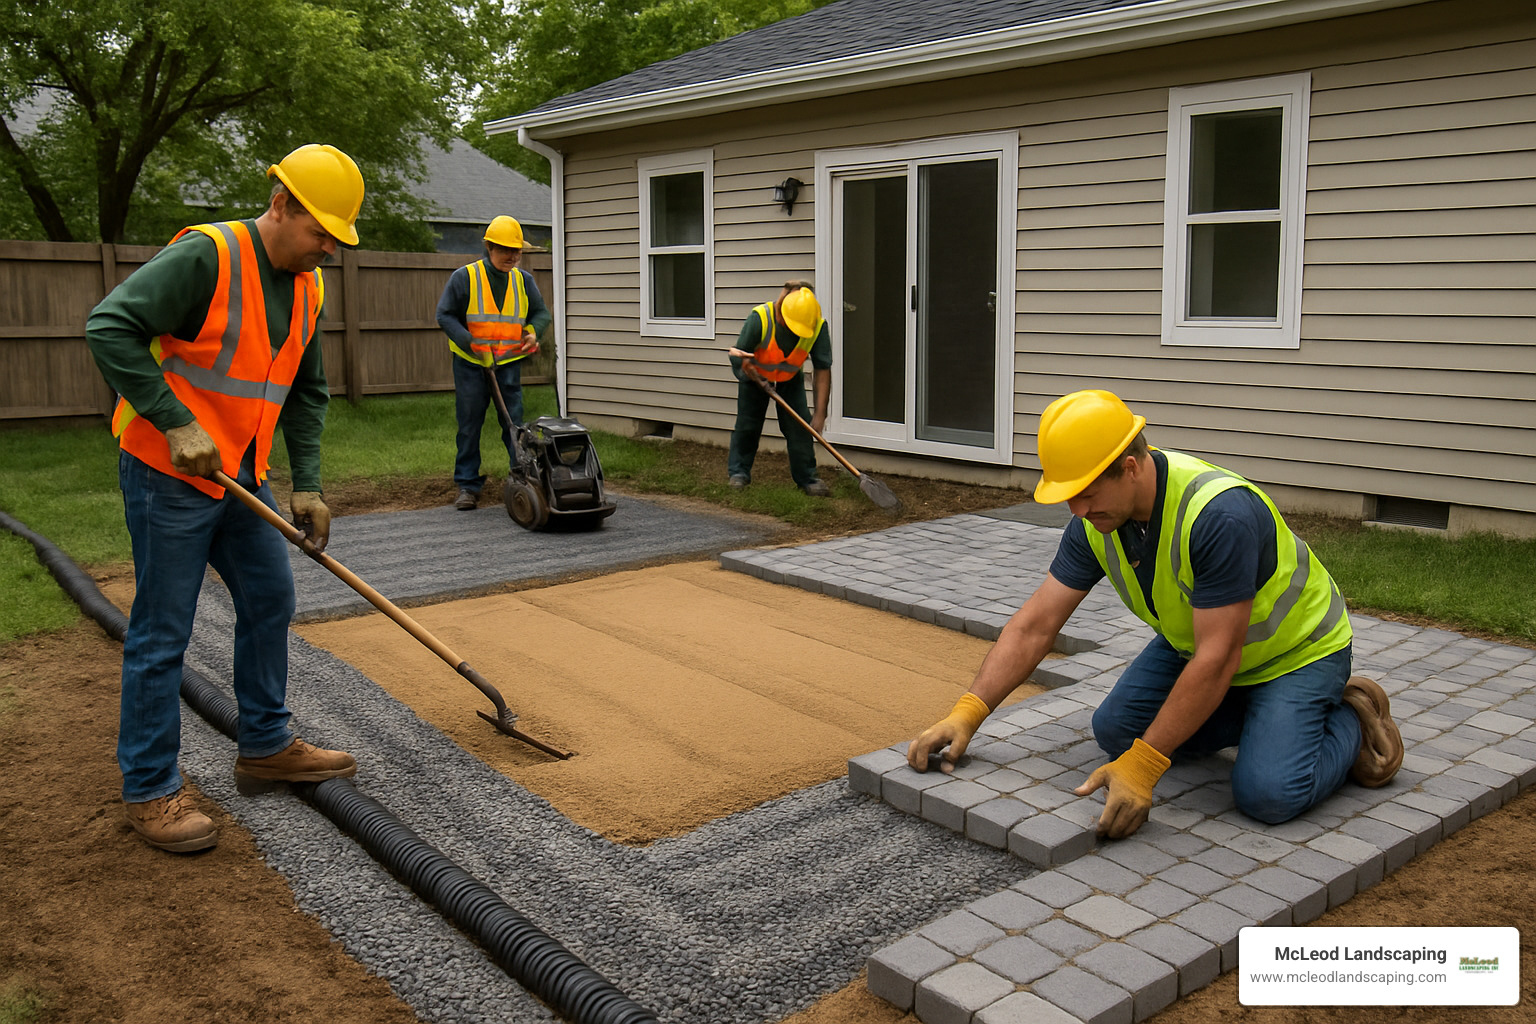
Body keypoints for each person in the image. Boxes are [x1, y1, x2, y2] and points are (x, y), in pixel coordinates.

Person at [907, 389, 1403, 840]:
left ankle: (1348, 718)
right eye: (1068, 496)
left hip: (1297, 653)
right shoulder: (1096, 523)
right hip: (1205, 647)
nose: (1077, 510)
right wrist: (966, 714)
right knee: (1117, 733)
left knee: (1268, 793)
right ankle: (1266, 719)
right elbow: (1036, 624)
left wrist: (1144, 769)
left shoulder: (1217, 516)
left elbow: (1218, 656)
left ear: (1129, 466)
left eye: (1086, 492)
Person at [86, 144, 365, 853]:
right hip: (167, 476)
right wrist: (175, 422)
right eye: (319, 231)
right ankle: (149, 789)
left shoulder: (308, 286)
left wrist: (306, 482)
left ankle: (265, 746)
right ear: (280, 205)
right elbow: (108, 326)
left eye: (337, 236)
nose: (327, 248)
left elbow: (306, 390)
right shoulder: (207, 257)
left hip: (243, 479)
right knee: (162, 632)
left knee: (271, 599)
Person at [435, 215, 552, 510]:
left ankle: (522, 477)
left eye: (516, 251)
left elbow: (541, 314)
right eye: (503, 250)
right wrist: (467, 340)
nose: (510, 256)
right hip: (471, 364)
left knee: (514, 424)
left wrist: (532, 333)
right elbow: (445, 314)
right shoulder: (465, 277)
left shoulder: (523, 280)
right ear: (489, 247)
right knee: (469, 423)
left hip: (508, 364)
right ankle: (467, 486)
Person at [727, 280, 833, 497]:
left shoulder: (816, 326)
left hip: (790, 376)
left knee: (799, 425)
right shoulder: (760, 318)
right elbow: (737, 354)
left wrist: (821, 413)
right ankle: (739, 473)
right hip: (756, 375)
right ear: (782, 314)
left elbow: (823, 369)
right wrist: (745, 366)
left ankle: (807, 478)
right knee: (748, 424)